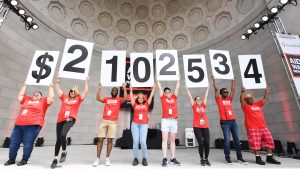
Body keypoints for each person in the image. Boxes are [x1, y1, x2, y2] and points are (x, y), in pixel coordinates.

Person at [4, 83, 54, 166]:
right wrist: (25, 85)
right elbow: (20, 96)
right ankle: (11, 159)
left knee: (28, 143)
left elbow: (51, 98)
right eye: (34, 94)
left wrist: (50, 87)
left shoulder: (43, 101)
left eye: (38, 94)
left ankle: (24, 159)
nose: (36, 94)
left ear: (41, 97)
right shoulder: (27, 99)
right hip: (19, 126)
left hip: (33, 126)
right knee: (13, 142)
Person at [50, 77, 89, 168]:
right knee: (58, 140)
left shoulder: (78, 99)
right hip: (60, 120)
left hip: (70, 120)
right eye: (71, 91)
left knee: (63, 135)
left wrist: (86, 82)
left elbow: (86, 92)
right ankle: (55, 159)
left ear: (77, 93)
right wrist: (58, 80)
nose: (72, 92)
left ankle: (64, 152)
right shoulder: (64, 97)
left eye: (75, 91)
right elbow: (57, 89)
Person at [240, 87, 281, 165]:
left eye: (252, 98)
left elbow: (265, 99)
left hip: (263, 127)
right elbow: (241, 100)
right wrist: (242, 92)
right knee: (255, 144)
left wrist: (267, 91)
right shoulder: (245, 107)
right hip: (252, 128)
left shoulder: (257, 104)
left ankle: (269, 157)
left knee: (269, 141)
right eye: (249, 98)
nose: (251, 99)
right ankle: (258, 158)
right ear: (246, 100)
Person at [212, 76, 247, 165]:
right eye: (224, 92)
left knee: (237, 140)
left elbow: (233, 90)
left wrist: (233, 79)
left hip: (233, 121)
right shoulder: (218, 99)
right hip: (225, 122)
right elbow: (216, 89)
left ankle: (240, 158)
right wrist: (214, 79)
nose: (227, 93)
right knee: (227, 140)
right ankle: (228, 158)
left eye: (227, 92)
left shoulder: (229, 99)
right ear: (221, 93)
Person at [93, 82, 127, 167]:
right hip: (104, 121)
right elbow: (98, 98)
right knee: (100, 139)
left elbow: (126, 98)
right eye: (113, 90)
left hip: (113, 122)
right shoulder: (107, 99)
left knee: (110, 140)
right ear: (111, 92)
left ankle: (107, 158)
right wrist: (100, 88)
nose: (114, 91)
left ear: (117, 92)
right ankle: (97, 158)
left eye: (116, 90)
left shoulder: (119, 100)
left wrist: (124, 88)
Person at [157, 78, 181, 167]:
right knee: (164, 139)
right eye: (165, 92)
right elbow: (159, 89)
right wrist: (158, 80)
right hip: (165, 120)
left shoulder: (174, 97)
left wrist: (178, 80)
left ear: (171, 92)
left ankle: (173, 158)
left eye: (168, 91)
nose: (167, 93)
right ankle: (164, 158)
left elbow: (177, 88)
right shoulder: (163, 98)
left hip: (173, 120)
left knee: (172, 140)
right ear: (164, 93)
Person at [130, 84, 156, 166]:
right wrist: (130, 89)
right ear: (137, 98)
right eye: (139, 97)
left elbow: (151, 96)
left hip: (144, 125)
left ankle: (144, 158)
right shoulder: (135, 105)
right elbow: (131, 97)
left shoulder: (146, 104)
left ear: (143, 98)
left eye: (142, 98)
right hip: (135, 125)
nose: (140, 99)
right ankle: (135, 158)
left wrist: (153, 88)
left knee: (143, 142)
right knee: (135, 141)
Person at [186, 85, 211, 166]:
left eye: (200, 99)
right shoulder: (194, 106)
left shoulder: (203, 105)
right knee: (201, 142)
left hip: (205, 126)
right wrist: (187, 89)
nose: (199, 100)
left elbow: (206, 96)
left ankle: (206, 158)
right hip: (197, 126)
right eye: (197, 99)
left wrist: (207, 88)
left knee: (207, 142)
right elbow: (190, 97)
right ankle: (201, 158)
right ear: (195, 101)